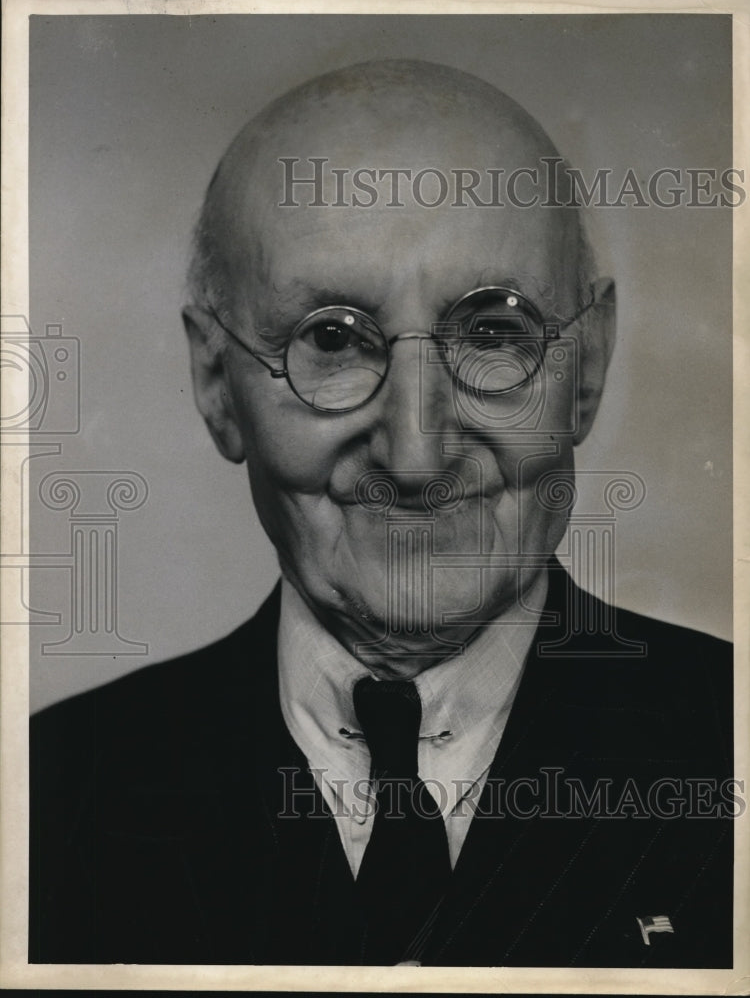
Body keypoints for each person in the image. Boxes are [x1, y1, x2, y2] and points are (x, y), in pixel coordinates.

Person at [30, 59, 733, 968]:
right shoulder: (48, 796)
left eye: (492, 334)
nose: (416, 454)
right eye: (330, 339)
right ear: (215, 381)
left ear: (587, 367)